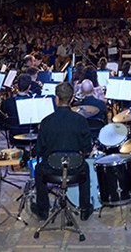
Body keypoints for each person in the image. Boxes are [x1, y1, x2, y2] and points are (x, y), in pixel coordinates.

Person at [31, 82, 94, 221]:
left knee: (38, 169)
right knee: (85, 167)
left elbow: (38, 150)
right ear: (71, 99)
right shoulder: (81, 120)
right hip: (75, 168)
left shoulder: (46, 121)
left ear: (57, 99)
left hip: (51, 169)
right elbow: (87, 149)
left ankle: (43, 209)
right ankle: (85, 209)